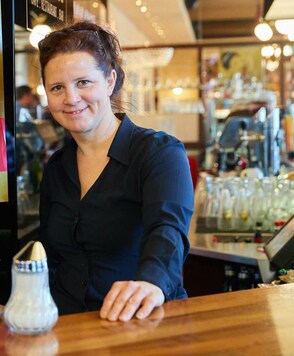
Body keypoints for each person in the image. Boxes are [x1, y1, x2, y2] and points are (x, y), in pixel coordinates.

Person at [37, 21, 194, 321]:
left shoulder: (159, 153)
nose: (71, 98)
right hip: (67, 327)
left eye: (83, 82)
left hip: (140, 321)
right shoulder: (57, 168)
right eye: (57, 87)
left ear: (109, 81)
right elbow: (52, 258)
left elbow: (168, 231)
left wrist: (151, 283)